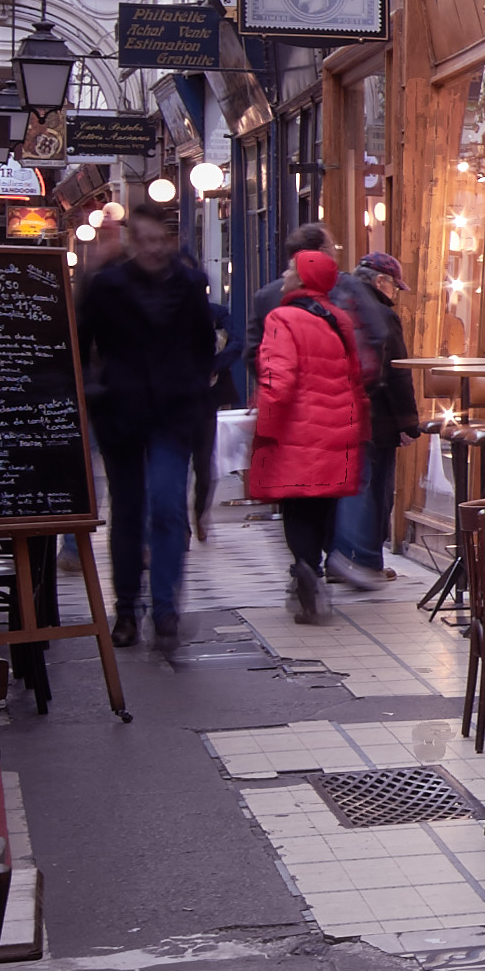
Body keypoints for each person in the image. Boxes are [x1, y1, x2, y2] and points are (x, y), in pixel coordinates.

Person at [78, 208, 223, 659]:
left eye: (161, 240)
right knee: (127, 512)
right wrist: (92, 389)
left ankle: (165, 610)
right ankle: (126, 609)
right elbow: (81, 343)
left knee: (166, 504)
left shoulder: (188, 284)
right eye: (146, 241)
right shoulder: (107, 286)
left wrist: (197, 387)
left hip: (173, 411)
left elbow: (204, 342)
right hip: (121, 411)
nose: (155, 249)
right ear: (132, 242)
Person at [243, 238, 369, 622]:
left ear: (301, 278)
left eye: (289, 269)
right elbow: (355, 374)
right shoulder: (338, 318)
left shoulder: (282, 320)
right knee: (322, 505)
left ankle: (306, 576)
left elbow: (275, 379)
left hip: (297, 429)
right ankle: (313, 575)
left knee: (297, 508)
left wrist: (263, 427)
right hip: (336, 428)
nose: (283, 275)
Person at [332, 242, 414, 588]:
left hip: (334, 416)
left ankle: (336, 558)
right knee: (374, 488)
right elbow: (397, 372)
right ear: (381, 282)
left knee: (344, 487)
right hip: (376, 419)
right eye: (394, 285)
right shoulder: (382, 314)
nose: (395, 293)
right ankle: (368, 560)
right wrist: (409, 422)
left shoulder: (335, 305)